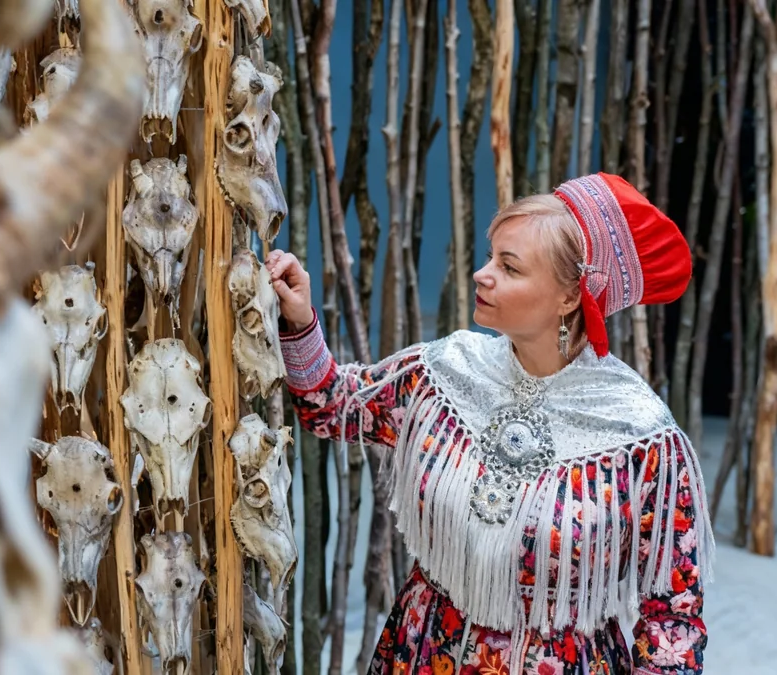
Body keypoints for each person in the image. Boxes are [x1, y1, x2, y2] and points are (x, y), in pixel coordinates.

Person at [265, 173, 715, 675]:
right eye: (490, 256)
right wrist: (300, 321)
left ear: (571, 297)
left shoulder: (639, 437)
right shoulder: (448, 371)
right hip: (423, 655)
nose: (482, 275)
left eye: (509, 266)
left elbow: (672, 618)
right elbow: (332, 404)